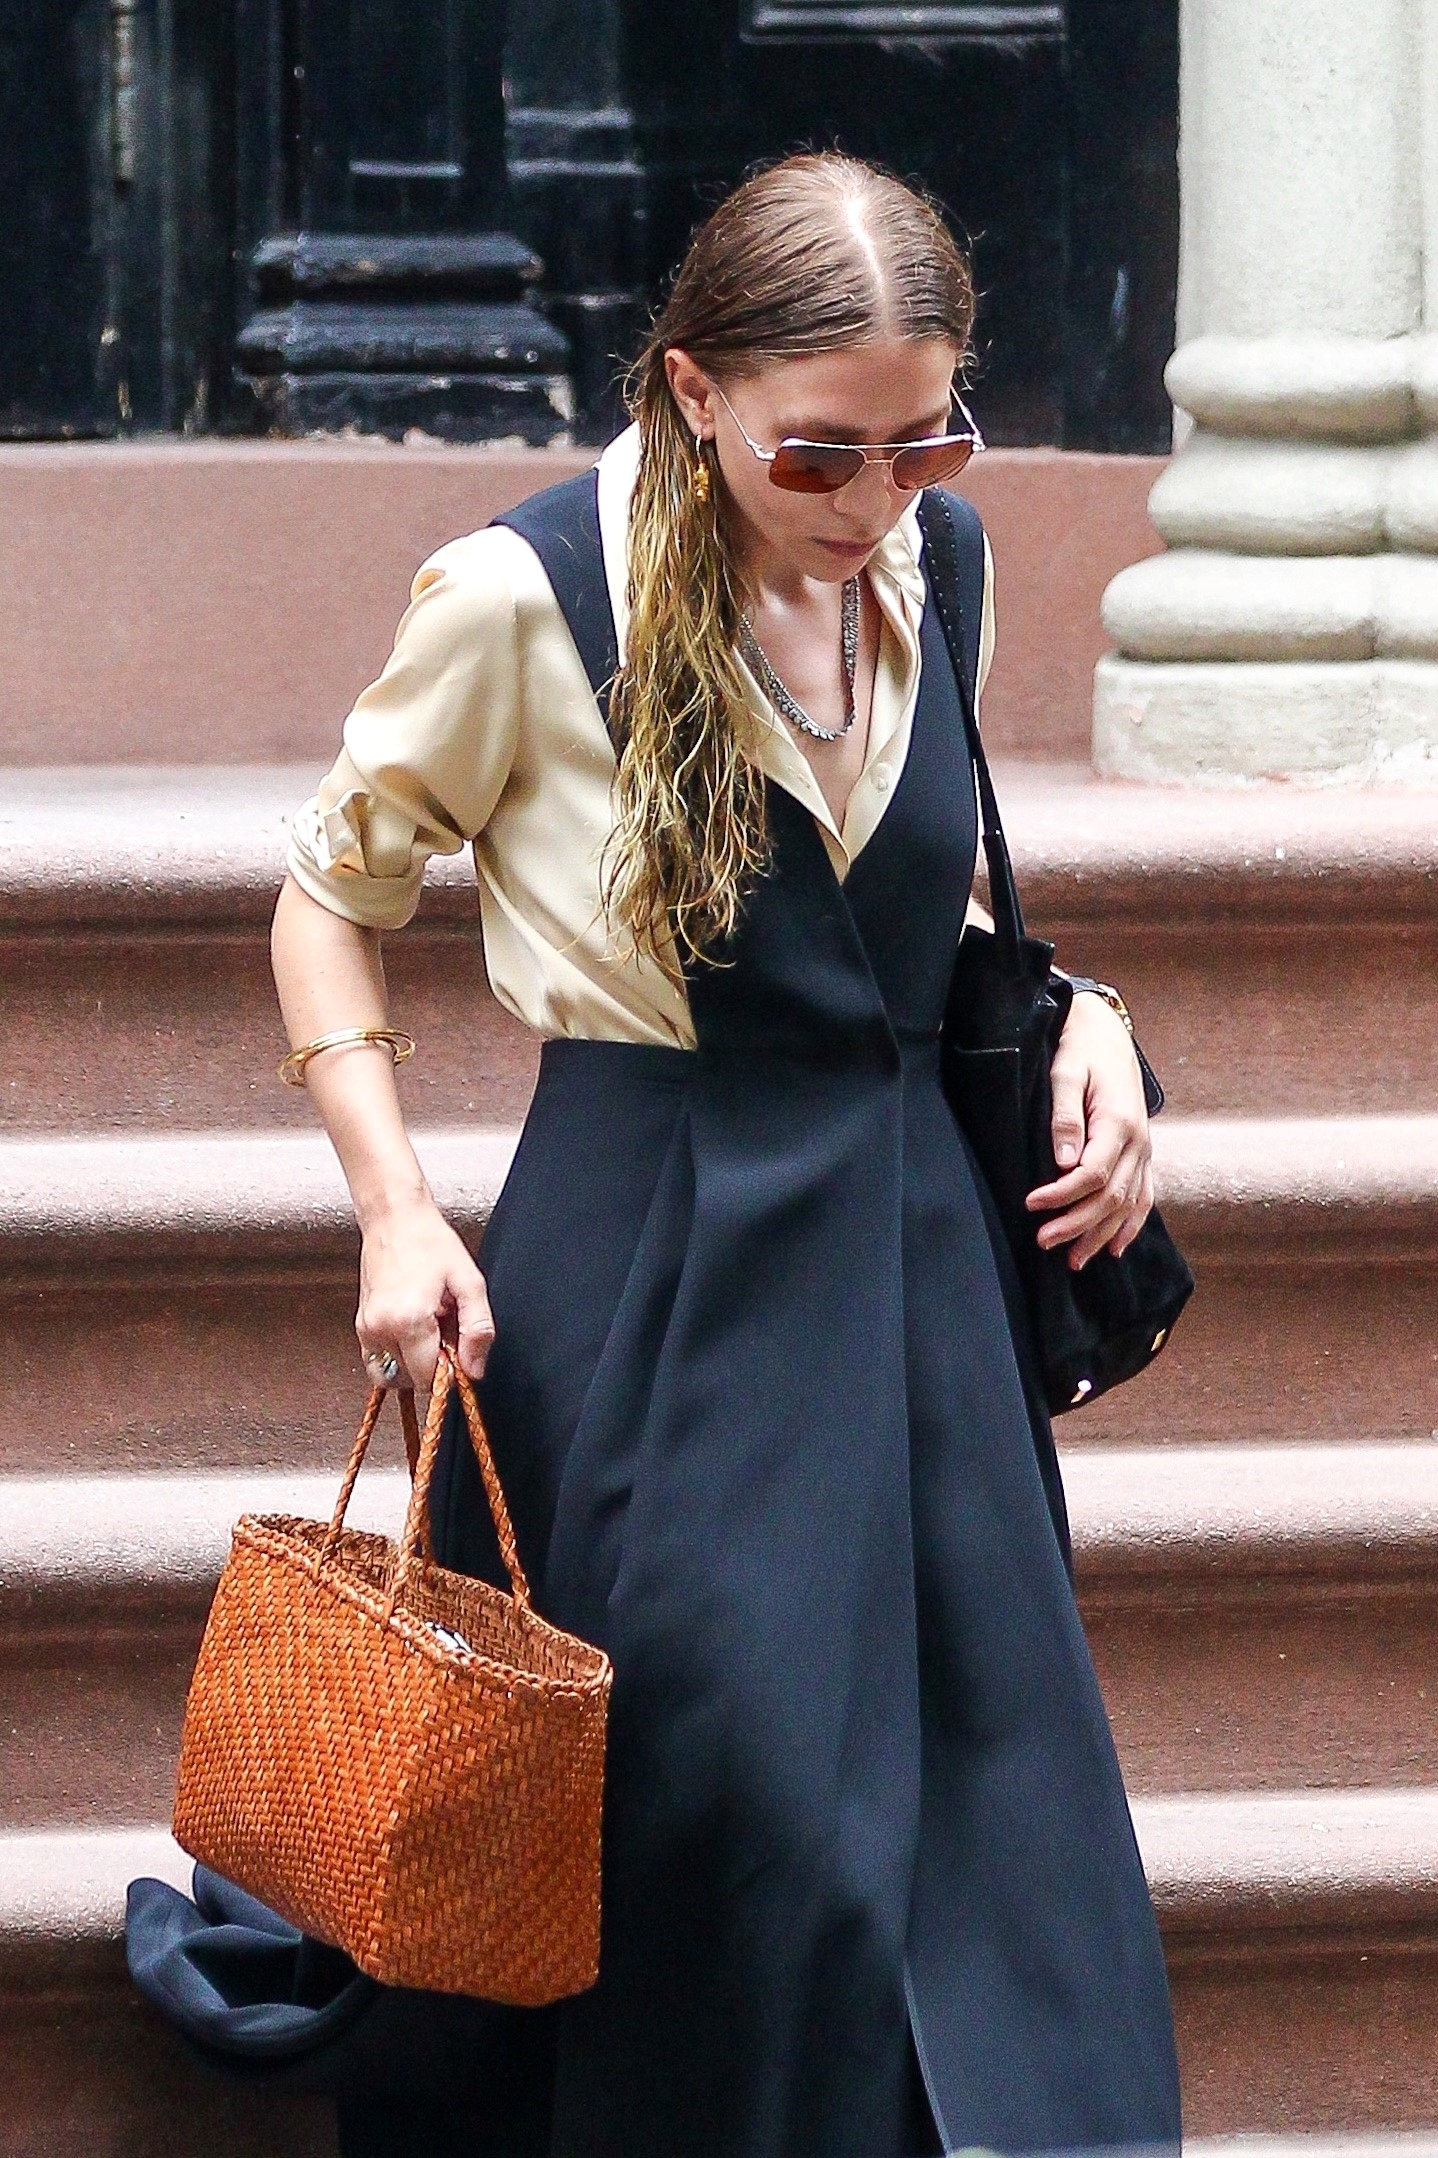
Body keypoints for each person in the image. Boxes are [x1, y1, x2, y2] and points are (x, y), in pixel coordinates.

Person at [263, 153, 1179, 2157]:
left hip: (911, 1250)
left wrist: (1077, 1009)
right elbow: (325, 899)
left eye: (918, 443)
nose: (869, 507)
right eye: (816, 459)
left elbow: (909, 908)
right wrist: (395, 1204)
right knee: (735, 1815)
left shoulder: (938, 559)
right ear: (688, 393)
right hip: (658, 1247)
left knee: (994, 1819)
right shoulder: (522, 595)